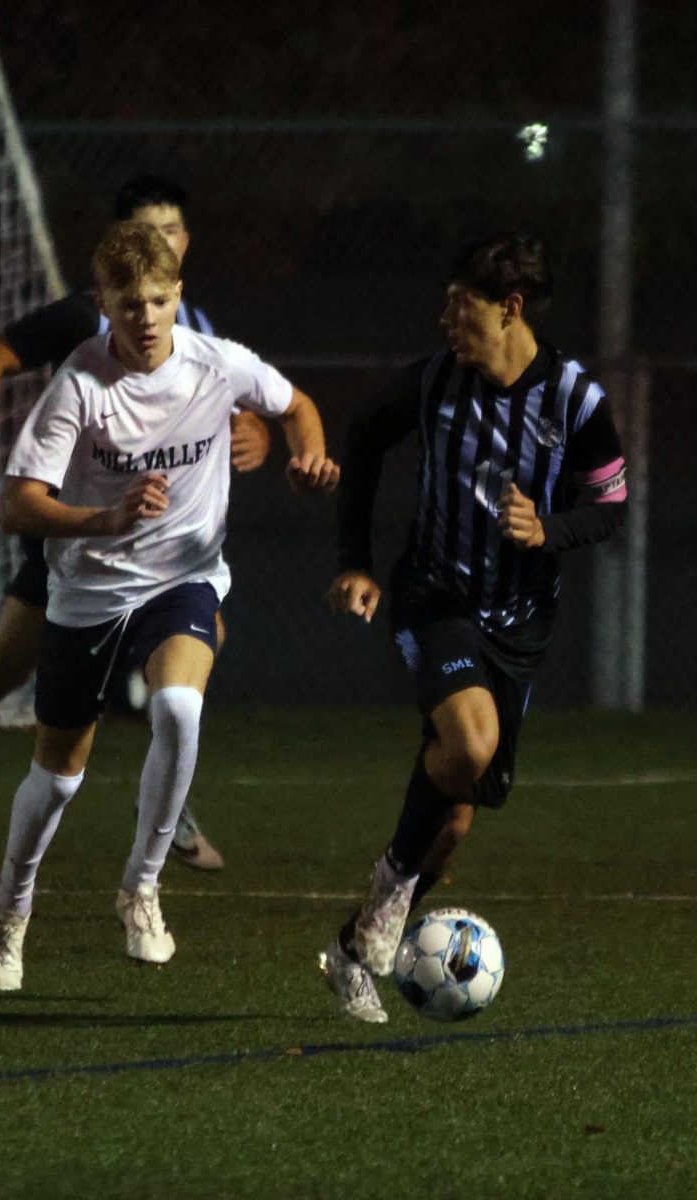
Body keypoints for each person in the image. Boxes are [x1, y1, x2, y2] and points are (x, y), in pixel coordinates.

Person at [0, 220, 339, 991]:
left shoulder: (217, 363)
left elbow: (294, 403)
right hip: (91, 586)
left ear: (180, 298)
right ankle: (10, 908)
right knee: (60, 776)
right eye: (128, 303)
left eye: (158, 301)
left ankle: (141, 887)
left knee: (178, 708)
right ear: (103, 303)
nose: (144, 318)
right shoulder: (78, 383)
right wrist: (104, 519)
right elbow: (17, 507)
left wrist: (307, 455)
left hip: (184, 577)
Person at [0, 175, 270, 881]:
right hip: (84, 538)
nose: (160, 242)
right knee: (1, 670)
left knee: (196, 642)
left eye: (171, 230)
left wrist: (257, 434)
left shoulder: (197, 327)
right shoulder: (89, 319)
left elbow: (241, 403)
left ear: (185, 244)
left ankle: (164, 799)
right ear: (117, 247)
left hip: (161, 550)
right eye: (146, 231)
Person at [320, 231, 628, 1023]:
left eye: (462, 307)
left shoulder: (576, 401)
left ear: (509, 309)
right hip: (435, 597)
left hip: (519, 626)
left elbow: (610, 507)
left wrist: (548, 531)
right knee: (471, 745)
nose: (446, 320)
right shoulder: (432, 384)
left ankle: (354, 946)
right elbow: (361, 437)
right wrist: (356, 561)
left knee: (454, 822)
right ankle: (387, 908)